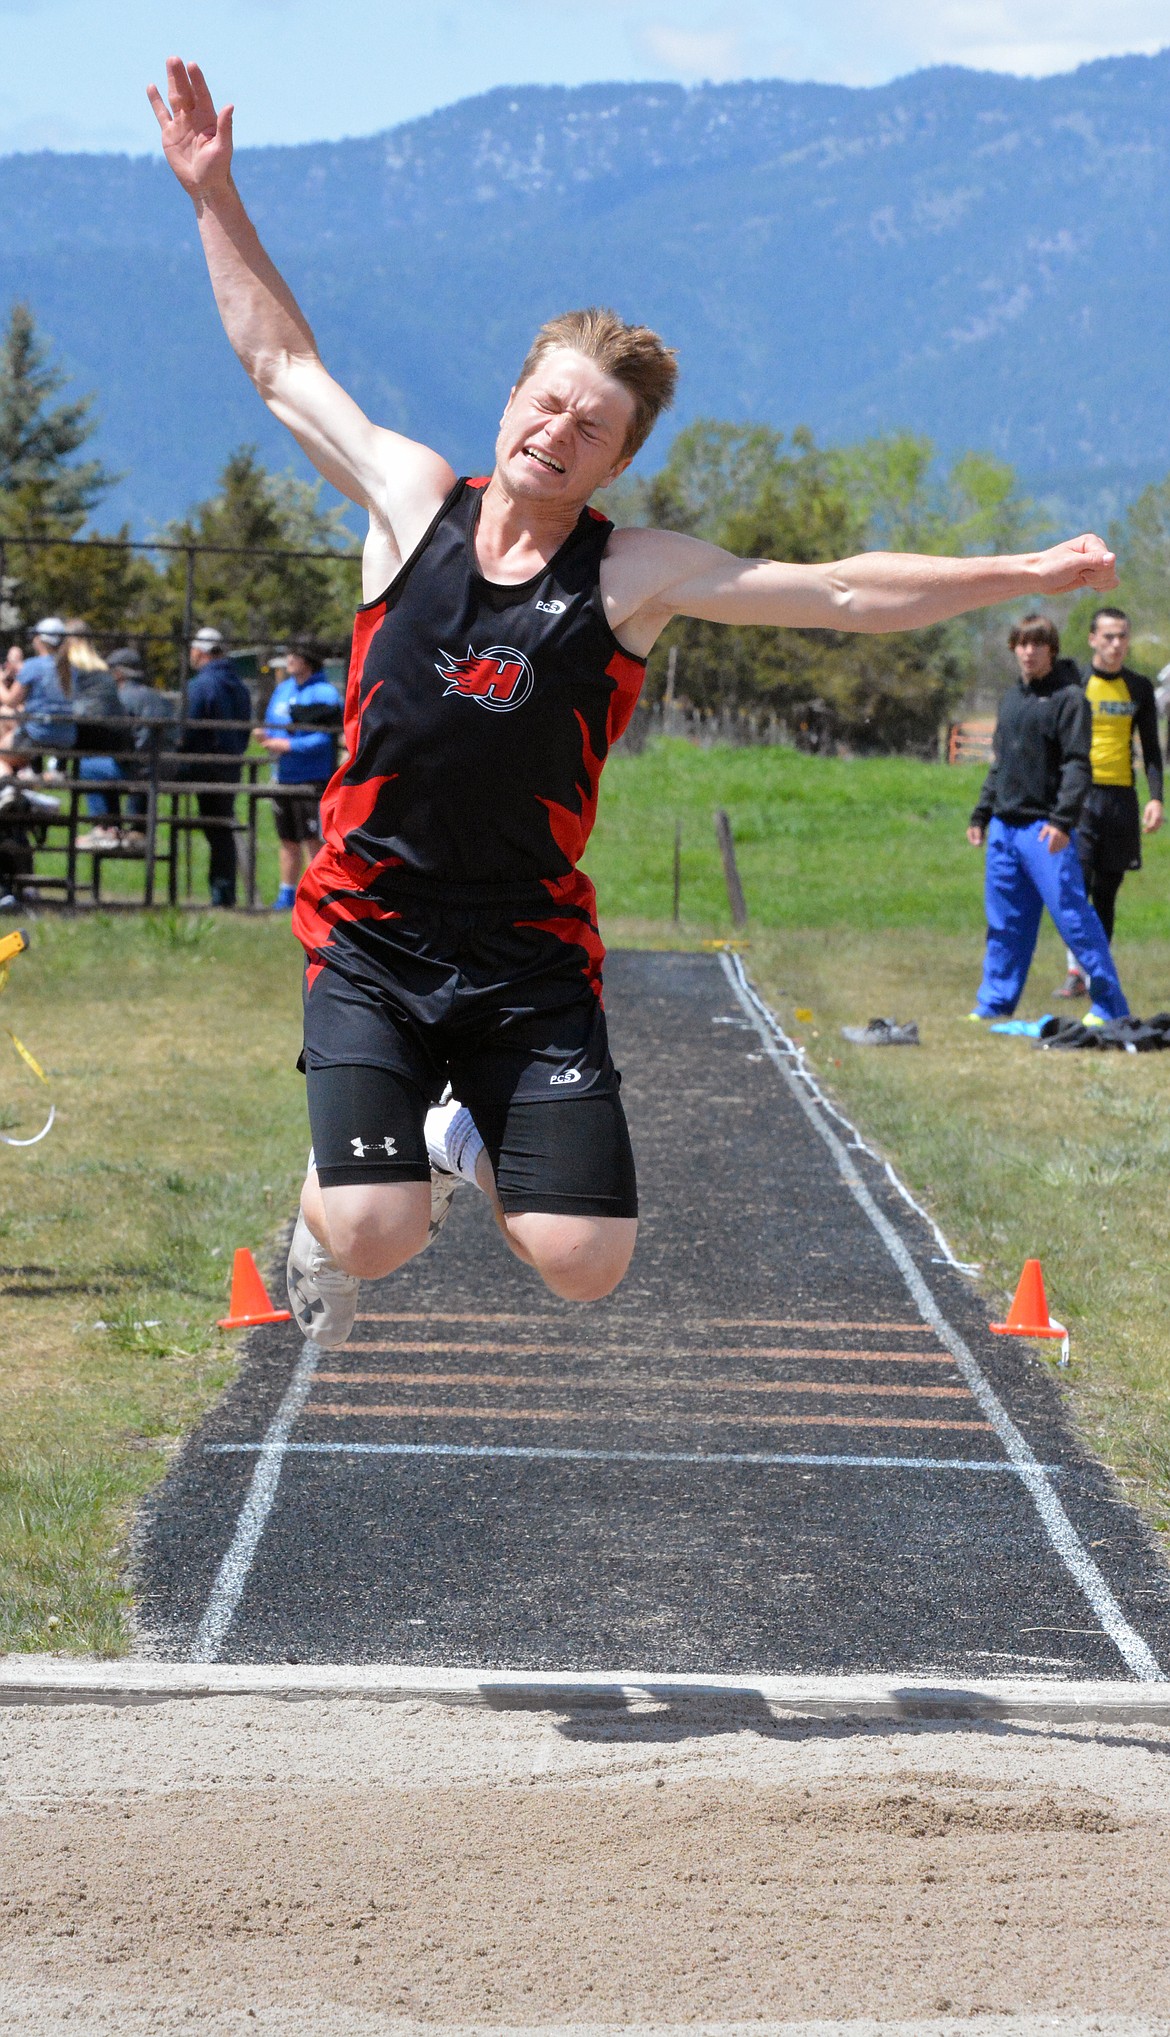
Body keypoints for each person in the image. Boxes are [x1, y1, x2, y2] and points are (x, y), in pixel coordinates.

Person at [149, 57, 1122, 1349]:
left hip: (526, 950)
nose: (555, 430)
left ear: (614, 458)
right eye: (544, 401)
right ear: (511, 398)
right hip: (370, 936)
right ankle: (392, 1155)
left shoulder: (625, 574)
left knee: (586, 1262)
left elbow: (834, 592)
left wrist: (1019, 571)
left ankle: (456, 1125)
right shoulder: (406, 500)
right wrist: (213, 193)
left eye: (589, 426)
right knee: (373, 1235)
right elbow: (279, 363)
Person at [966, 614, 1128, 1023]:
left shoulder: (1070, 698)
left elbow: (1077, 766)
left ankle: (1109, 1005)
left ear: (1051, 650)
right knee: (1004, 923)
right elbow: (1001, 765)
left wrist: (1062, 820)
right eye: (1022, 644)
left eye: (1037, 644)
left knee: (1074, 918)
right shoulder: (1011, 700)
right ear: (1013, 648)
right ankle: (995, 1002)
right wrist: (982, 813)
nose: (1029, 652)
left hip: (1045, 830)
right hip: (1004, 826)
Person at [1056, 605, 1163, 998]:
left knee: (1107, 889)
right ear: (1092, 639)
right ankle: (1074, 971)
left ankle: (1097, 970)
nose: (1116, 644)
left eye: (1122, 636)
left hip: (1121, 799)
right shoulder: (1075, 682)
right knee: (1077, 884)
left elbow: (1151, 749)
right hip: (1080, 797)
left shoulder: (1138, 687)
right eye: (1108, 636)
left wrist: (1156, 799)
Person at [253, 637, 343, 909]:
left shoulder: (326, 694)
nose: (289, 660)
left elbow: (326, 739)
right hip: (284, 776)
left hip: (312, 779)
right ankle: (287, 894)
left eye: (294, 655)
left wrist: (289, 745)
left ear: (308, 660)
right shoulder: (283, 690)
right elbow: (274, 723)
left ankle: (318, 896)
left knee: (313, 840)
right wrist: (265, 735)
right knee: (287, 839)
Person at [179, 623, 252, 907]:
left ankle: (222, 894)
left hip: (203, 765)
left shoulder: (201, 685)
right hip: (230, 766)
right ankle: (225, 893)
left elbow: (188, 729)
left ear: (202, 652)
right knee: (222, 827)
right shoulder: (240, 686)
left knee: (217, 830)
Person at [63, 620, 127, 849]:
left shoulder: (72, 666)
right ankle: (113, 827)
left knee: (89, 766)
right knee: (96, 764)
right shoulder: (101, 666)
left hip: (86, 731)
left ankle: (102, 828)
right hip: (111, 737)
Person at [107, 646, 176, 843]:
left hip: (140, 767)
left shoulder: (121, 698)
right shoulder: (159, 698)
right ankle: (138, 828)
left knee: (92, 768)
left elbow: (122, 739)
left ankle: (108, 826)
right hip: (168, 767)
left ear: (118, 673)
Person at [0, 618, 74, 777]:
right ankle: (32, 773)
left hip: (39, 734)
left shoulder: (33, 665)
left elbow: (11, 701)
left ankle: (8, 789)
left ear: (40, 640)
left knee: (1, 753)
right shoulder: (71, 667)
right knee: (6, 717)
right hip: (67, 735)